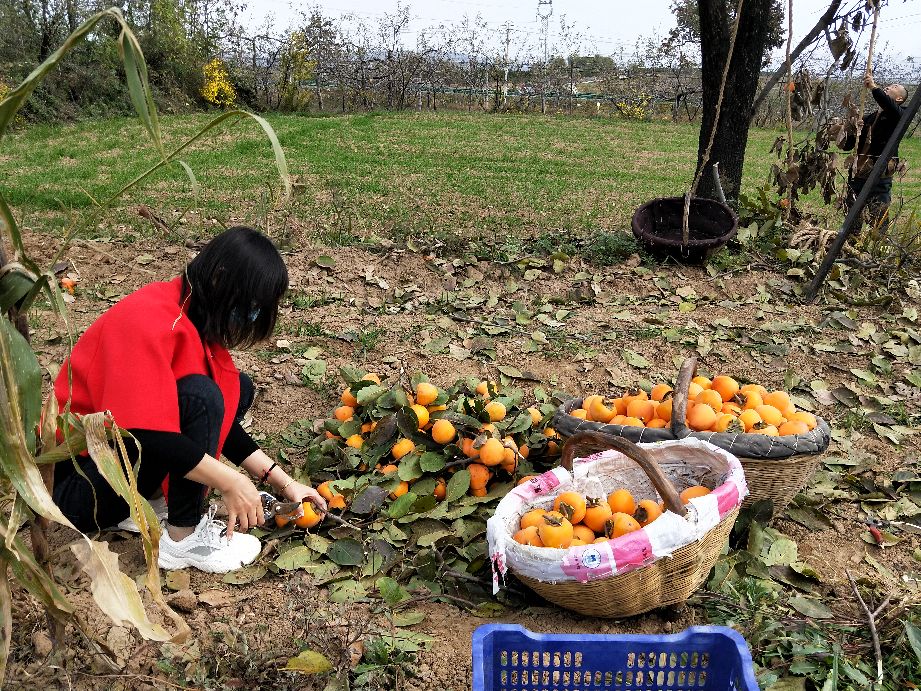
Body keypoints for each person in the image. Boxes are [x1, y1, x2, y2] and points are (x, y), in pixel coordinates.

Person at [52, 226, 327, 573]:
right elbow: (143, 430)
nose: (253, 316)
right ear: (219, 278)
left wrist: (284, 482)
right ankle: (182, 538)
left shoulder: (191, 317)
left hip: (118, 474)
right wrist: (230, 480)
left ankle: (148, 504)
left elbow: (222, 423)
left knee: (232, 389)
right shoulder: (147, 319)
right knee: (201, 397)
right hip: (78, 490)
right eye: (250, 305)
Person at [840, 74, 908, 233]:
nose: (890, 86)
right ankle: (850, 245)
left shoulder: (900, 115)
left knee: (879, 216)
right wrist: (853, 129)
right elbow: (849, 146)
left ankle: (880, 250)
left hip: (879, 176)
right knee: (852, 214)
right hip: (859, 174)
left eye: (895, 86)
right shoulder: (869, 117)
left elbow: (887, 104)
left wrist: (873, 87)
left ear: (898, 99)